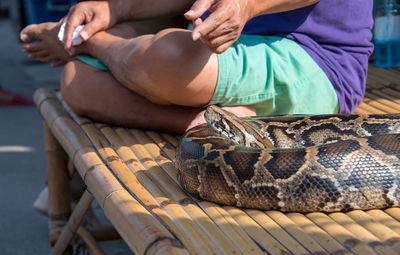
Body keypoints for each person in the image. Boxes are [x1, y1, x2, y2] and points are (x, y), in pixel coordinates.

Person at [20, 0, 374, 134]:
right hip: (219, 55)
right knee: (77, 78)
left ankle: (83, 40)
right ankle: (211, 123)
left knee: (170, 58)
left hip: (315, 62)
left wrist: (247, 6)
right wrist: (115, 8)